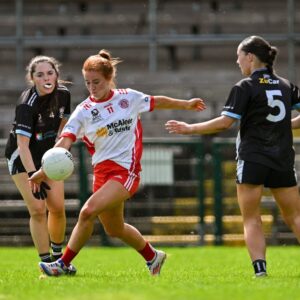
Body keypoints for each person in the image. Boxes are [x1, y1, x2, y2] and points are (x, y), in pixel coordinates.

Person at [29, 49, 206, 277]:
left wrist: (186, 105)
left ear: (109, 78)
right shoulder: (83, 111)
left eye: (97, 82)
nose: (92, 87)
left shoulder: (128, 97)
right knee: (114, 229)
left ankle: (62, 264)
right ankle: (153, 257)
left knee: (86, 212)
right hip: (102, 175)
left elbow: (156, 101)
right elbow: (65, 141)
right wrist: (45, 170)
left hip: (125, 171)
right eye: (87, 83)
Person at [166, 35, 300, 277]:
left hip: (253, 158)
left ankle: (260, 271)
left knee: (251, 218)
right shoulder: (285, 85)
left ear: (249, 57)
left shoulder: (245, 87)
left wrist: (190, 128)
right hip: (282, 158)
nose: (237, 61)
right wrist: (281, 125)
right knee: (295, 216)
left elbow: (225, 123)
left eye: (239, 56)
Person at [5, 55, 76, 274]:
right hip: (22, 159)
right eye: (40, 74)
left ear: (56, 74)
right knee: (38, 209)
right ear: (32, 79)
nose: (46, 77)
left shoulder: (63, 94)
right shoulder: (27, 105)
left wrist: (60, 152)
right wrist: (34, 174)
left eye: (50, 73)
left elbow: (65, 124)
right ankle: (45, 262)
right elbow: (23, 146)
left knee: (57, 207)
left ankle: (59, 260)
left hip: (48, 157)